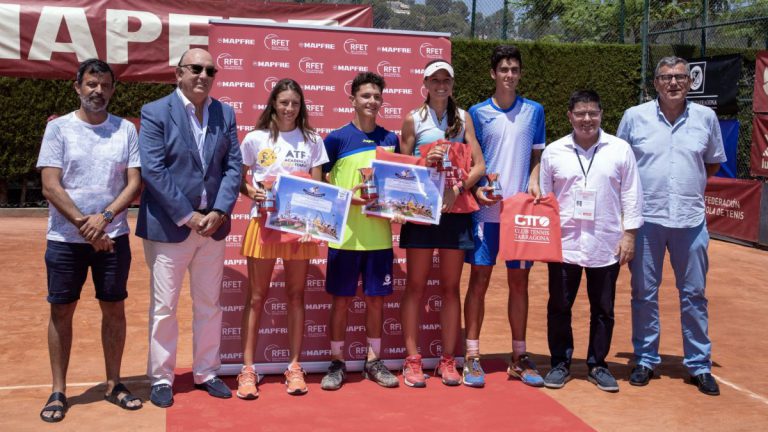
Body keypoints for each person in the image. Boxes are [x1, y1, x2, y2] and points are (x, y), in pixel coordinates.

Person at [37, 59, 143, 422]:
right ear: (78, 87)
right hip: (65, 240)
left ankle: (114, 384)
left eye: (104, 85)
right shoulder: (59, 129)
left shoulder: (126, 130)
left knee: (114, 309)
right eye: (91, 85)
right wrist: (86, 225)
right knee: (61, 311)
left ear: (113, 89)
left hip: (112, 238)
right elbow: (50, 185)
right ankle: (58, 390)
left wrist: (106, 219)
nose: (98, 91)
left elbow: (133, 183)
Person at [137, 48, 242, 407]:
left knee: (209, 304)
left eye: (210, 70)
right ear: (178, 73)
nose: (203, 75)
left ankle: (207, 372)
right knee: (164, 306)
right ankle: (162, 378)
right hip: (170, 228)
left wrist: (220, 210)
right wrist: (188, 215)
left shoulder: (224, 113)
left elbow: (233, 167)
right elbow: (153, 169)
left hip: (212, 227)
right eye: (195, 68)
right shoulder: (154, 112)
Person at [617, 56, 726, 396]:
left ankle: (699, 364)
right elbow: (621, 165)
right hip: (646, 221)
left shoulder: (706, 118)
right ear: (655, 83)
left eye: (680, 77)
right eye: (666, 77)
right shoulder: (634, 117)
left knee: (694, 294)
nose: (674, 83)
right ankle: (646, 358)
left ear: (690, 82)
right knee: (643, 294)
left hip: (690, 221)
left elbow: (709, 166)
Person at [539, 90, 643, 392]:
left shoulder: (620, 149)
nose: (587, 119)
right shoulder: (553, 151)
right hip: (564, 244)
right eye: (580, 113)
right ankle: (560, 362)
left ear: (601, 114)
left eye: (593, 113)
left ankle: (598, 364)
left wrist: (630, 234)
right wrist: (544, 241)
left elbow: (632, 194)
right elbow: (545, 199)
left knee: (603, 309)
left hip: (606, 243)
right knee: (559, 306)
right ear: (569, 116)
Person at [237, 79, 329, 398]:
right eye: (284, 102)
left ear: (301, 106)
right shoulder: (255, 138)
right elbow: (239, 178)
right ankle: (247, 370)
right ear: (273, 103)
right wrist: (252, 191)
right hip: (263, 224)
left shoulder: (313, 140)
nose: (290, 108)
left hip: (300, 229)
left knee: (296, 296)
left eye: (295, 103)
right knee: (256, 296)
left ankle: (294, 366)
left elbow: (318, 189)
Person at [398, 60, 486, 388]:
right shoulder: (413, 119)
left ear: (452, 83)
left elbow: (479, 165)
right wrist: (424, 161)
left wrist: (458, 188)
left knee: (450, 288)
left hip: (455, 212)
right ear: (425, 82)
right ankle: (412, 360)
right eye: (435, 79)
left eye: (446, 80)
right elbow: (402, 166)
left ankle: (448, 360)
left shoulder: (463, 118)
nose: (440, 85)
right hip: (420, 211)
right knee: (416, 287)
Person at [463, 45, 546, 387]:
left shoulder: (535, 111)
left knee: (519, 283)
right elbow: (472, 162)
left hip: (519, 215)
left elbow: (538, 156)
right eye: (503, 69)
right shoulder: (477, 113)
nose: (509, 75)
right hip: (486, 213)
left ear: (520, 73)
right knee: (479, 281)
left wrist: (534, 181)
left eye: (514, 69)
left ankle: (519, 357)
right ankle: (471, 356)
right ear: (492, 74)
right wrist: (477, 190)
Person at [319, 72, 400, 390]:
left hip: (379, 238)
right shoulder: (336, 139)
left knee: (376, 302)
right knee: (340, 301)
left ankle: (373, 361)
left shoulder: (390, 139)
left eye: (377, 96)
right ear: (352, 99)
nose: (372, 101)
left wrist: (400, 208)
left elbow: (397, 184)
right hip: (344, 237)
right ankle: (337, 362)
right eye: (365, 95)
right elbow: (317, 184)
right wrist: (345, 197)